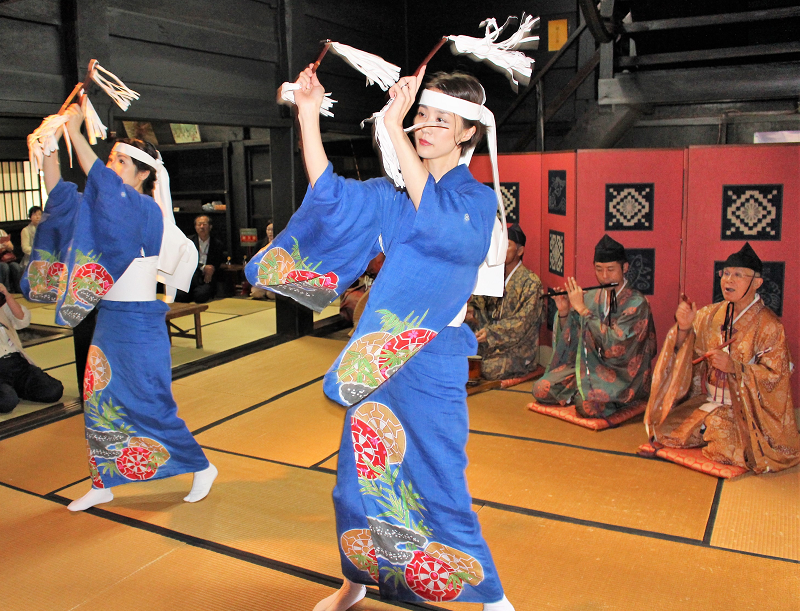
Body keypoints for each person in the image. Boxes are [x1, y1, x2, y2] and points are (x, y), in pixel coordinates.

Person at [246, 66, 514, 609]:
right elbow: (331, 198)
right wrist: (306, 115)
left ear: (467, 133)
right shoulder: (397, 198)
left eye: (444, 119)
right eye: (422, 115)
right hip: (379, 358)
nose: (427, 125)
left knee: (439, 480)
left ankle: (490, 597)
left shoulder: (477, 201)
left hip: (433, 359)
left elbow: (440, 229)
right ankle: (357, 579)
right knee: (355, 479)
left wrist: (393, 128)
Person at [31, 103, 217, 511]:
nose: (112, 166)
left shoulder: (143, 209)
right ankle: (103, 481)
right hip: (110, 322)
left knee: (150, 402)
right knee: (98, 401)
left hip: (139, 324)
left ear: (144, 173)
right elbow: (62, 199)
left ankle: (200, 465)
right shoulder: (108, 205)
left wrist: (77, 133)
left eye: (120, 161)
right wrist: (49, 147)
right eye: (111, 159)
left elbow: (102, 188)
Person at [644, 243, 799, 473]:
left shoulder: (769, 327)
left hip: (745, 409)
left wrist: (735, 367)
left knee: (729, 446)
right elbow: (687, 358)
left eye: (738, 275)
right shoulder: (709, 315)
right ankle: (708, 428)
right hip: (709, 399)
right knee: (662, 429)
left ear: (757, 283)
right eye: (725, 273)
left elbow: (777, 378)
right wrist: (684, 330)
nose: (728, 280)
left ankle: (711, 430)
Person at [532, 235, 657, 418]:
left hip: (621, 376)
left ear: (624, 268)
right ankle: (583, 390)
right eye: (599, 270)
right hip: (587, 366)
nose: (604, 276)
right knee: (541, 389)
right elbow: (571, 342)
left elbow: (616, 347)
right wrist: (565, 311)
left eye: (610, 270)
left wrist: (583, 310)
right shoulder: (591, 297)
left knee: (587, 407)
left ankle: (613, 398)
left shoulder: (637, 304)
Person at [467, 223, 543, 380]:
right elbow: (481, 308)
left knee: (487, 368)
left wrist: (491, 332)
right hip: (490, 343)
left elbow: (522, 323)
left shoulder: (531, 283)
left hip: (517, 348)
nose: (501, 251)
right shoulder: (494, 277)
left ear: (520, 251)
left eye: (507, 246)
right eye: (500, 245)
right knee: (458, 355)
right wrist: (472, 315)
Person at [0, 282, 63, 413]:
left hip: (16, 361)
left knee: (53, 390)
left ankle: (13, 388)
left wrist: (7, 296)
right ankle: (9, 391)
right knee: (7, 401)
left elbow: (23, 320)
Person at [175, 214, 224, 303]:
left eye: (204, 224)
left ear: (210, 227)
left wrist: (212, 268)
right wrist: (203, 267)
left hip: (207, 278)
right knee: (179, 296)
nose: (202, 227)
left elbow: (217, 262)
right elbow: (186, 260)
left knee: (201, 296)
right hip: (191, 276)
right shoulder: (188, 242)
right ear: (195, 227)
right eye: (199, 224)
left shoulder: (217, 244)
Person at [0, 228, 22, 293]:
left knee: (15, 266)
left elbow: (11, 248)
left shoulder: (2, 232)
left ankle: (19, 289)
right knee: (4, 267)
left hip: (6, 258)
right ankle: (6, 290)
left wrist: (8, 246)